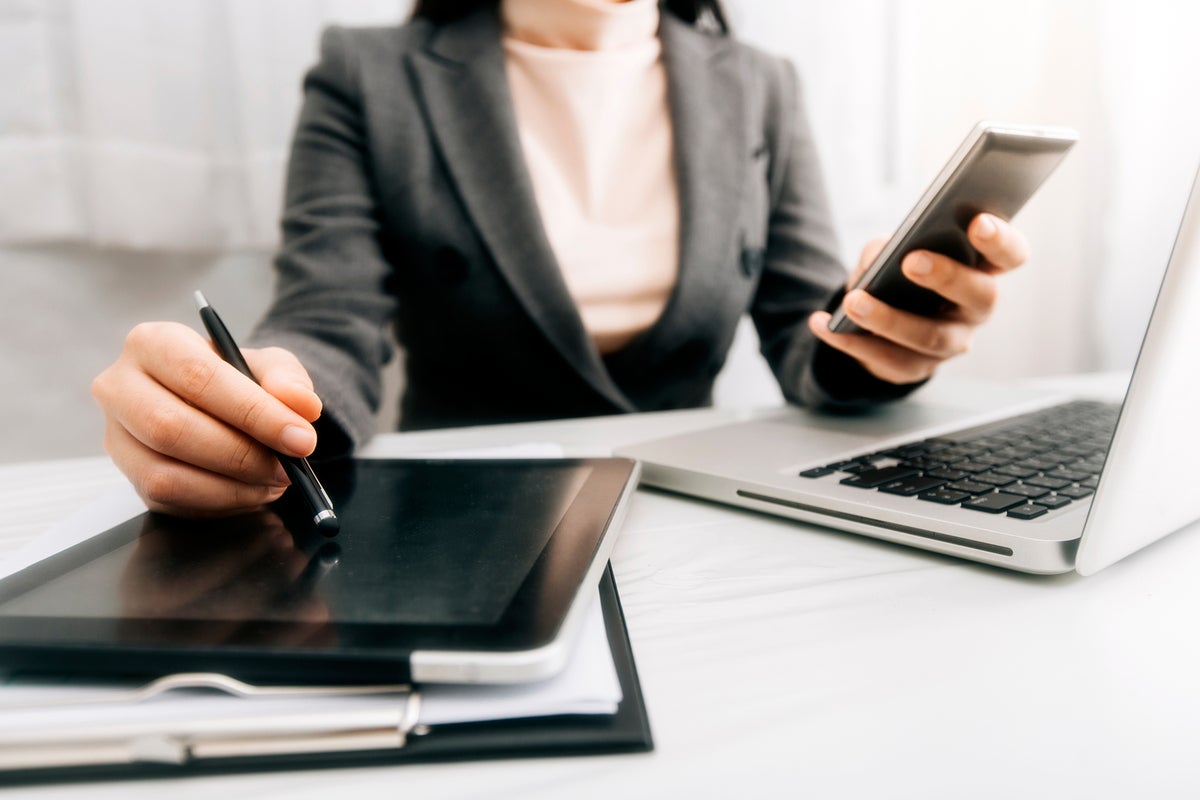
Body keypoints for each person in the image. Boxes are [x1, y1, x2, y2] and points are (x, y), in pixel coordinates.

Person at [92, 0, 1030, 519]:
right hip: (463, 519)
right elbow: (328, 316)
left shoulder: (757, 85)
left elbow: (801, 333)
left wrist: (881, 332)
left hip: (698, 508)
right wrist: (269, 396)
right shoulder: (369, 73)